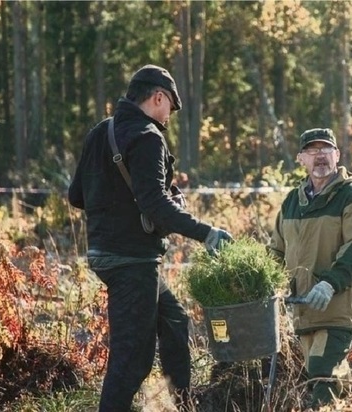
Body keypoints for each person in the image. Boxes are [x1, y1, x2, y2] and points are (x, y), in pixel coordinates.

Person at [68, 64, 232, 411]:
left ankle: (185, 404)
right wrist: (209, 233)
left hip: (107, 254)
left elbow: (76, 196)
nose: (169, 115)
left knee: (174, 321)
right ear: (158, 97)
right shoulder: (147, 136)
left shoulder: (101, 131)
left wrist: (124, 206)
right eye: (170, 107)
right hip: (132, 260)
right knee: (133, 360)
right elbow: (156, 205)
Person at [269, 128, 352, 408]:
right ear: (301, 159)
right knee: (327, 378)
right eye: (312, 150)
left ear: (337, 156)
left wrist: (330, 283)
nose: (319, 155)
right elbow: (276, 251)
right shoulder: (292, 202)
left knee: (322, 371)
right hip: (303, 311)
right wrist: (263, 282)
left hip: (336, 307)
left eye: (326, 149)